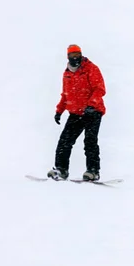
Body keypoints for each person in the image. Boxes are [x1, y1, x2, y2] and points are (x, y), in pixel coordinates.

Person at [48, 45, 107, 182]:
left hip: (93, 111)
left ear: (81, 54)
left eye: (77, 54)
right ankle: (61, 169)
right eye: (72, 55)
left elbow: (100, 89)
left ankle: (93, 171)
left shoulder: (91, 69)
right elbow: (65, 94)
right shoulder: (67, 73)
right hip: (76, 113)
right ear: (67, 56)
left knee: (90, 141)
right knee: (65, 141)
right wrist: (59, 111)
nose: (75, 57)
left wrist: (91, 105)